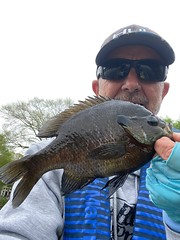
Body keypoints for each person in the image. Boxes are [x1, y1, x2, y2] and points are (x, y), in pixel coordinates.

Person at [0, 24, 180, 240]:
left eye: (150, 69)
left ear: (164, 90)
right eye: (115, 68)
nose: (131, 83)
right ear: (97, 88)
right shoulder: (45, 162)